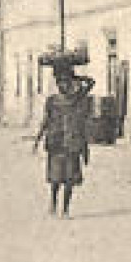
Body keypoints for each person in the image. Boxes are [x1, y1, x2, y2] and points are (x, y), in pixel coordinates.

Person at [33, 58, 96, 218]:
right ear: (57, 84)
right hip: (56, 143)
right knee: (55, 179)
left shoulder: (76, 99)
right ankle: (53, 204)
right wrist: (37, 140)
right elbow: (45, 121)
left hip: (72, 143)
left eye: (66, 83)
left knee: (70, 179)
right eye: (60, 83)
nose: (64, 86)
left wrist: (75, 77)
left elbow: (91, 82)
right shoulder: (52, 101)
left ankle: (65, 210)